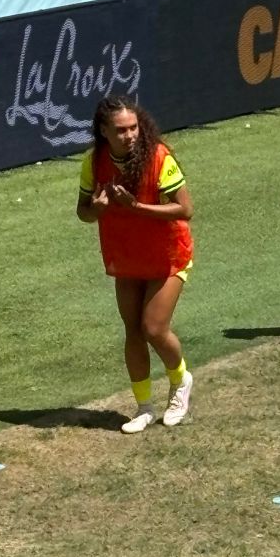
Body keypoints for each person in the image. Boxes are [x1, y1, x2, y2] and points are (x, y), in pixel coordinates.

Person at [77, 95, 195, 433]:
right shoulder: (93, 163)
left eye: (133, 128)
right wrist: (97, 209)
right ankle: (143, 407)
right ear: (104, 131)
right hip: (125, 255)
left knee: (153, 328)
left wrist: (136, 208)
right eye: (121, 130)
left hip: (167, 255)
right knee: (132, 331)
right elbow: (83, 211)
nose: (130, 135)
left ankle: (180, 380)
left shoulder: (159, 157)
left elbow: (185, 209)